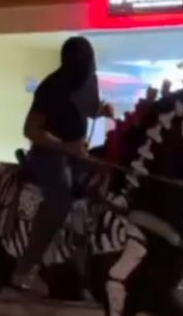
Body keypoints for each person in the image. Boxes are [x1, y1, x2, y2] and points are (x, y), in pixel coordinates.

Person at [11, 36, 113, 290]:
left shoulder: (89, 80)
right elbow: (31, 129)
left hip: (76, 153)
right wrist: (64, 146)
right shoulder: (51, 87)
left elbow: (89, 108)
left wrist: (102, 109)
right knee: (60, 198)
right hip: (49, 154)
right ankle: (26, 266)